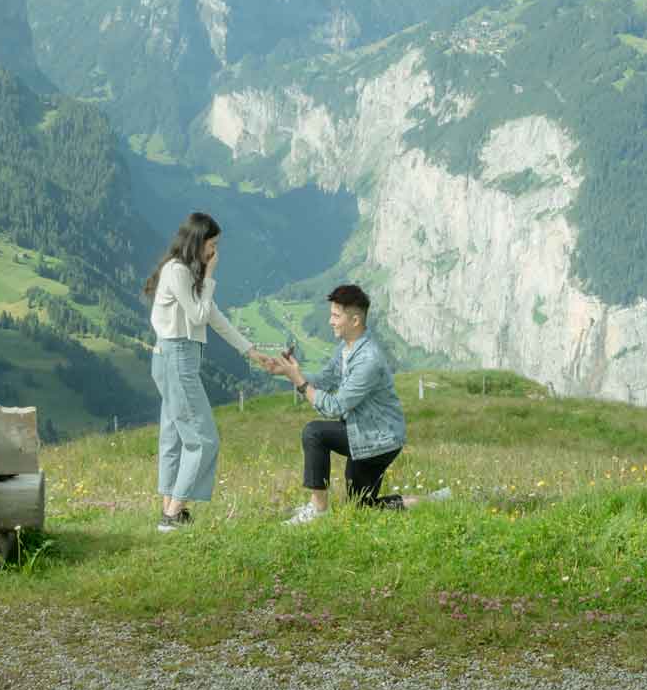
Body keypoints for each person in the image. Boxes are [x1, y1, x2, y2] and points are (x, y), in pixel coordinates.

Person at [262, 284, 440, 524]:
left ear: (355, 320)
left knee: (314, 433)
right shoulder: (346, 349)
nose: (330, 321)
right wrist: (288, 372)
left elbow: (335, 407)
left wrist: (300, 382)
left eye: (336, 316)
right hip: (366, 433)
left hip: (378, 439)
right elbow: (324, 379)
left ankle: (318, 510)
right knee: (362, 508)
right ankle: (432, 502)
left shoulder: (368, 360)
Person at [144, 211, 265, 533]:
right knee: (203, 438)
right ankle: (172, 515)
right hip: (177, 357)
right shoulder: (178, 272)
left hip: (173, 358)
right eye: (212, 244)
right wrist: (211, 275)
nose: (215, 252)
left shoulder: (184, 271)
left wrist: (249, 350)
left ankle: (170, 511)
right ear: (198, 242)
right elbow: (198, 316)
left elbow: (212, 315)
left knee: (174, 435)